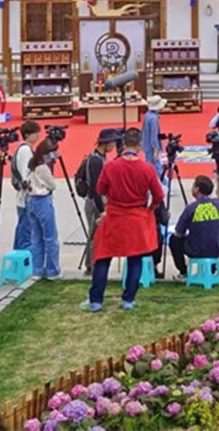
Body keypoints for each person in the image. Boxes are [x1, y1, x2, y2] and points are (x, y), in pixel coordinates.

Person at [81, 128, 163, 312]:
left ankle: (96, 300)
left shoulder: (111, 167)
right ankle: (128, 299)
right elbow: (158, 195)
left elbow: (100, 189)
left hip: (114, 217)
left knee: (102, 257)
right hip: (137, 218)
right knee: (135, 259)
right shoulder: (147, 169)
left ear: (123, 144)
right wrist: (149, 209)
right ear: (140, 146)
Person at [169, 175, 219, 277]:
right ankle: (211, 270)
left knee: (174, 240)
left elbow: (179, 233)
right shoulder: (217, 205)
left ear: (197, 189)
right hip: (216, 249)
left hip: (196, 250)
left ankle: (183, 272)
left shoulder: (191, 208)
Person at [81, 128, 120, 274]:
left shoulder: (100, 158)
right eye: (113, 142)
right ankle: (91, 266)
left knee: (97, 235)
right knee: (94, 236)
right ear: (106, 143)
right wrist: (102, 210)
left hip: (98, 201)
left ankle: (93, 263)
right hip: (95, 203)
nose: (114, 146)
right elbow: (95, 188)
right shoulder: (96, 161)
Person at [25, 139, 62, 280]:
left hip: (31, 201)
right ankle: (53, 271)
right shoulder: (43, 168)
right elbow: (53, 185)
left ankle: (37, 270)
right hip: (42, 201)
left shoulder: (32, 164)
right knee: (50, 237)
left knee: (36, 238)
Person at [11, 121, 41, 252]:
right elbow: (26, 174)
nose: (38, 135)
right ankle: (24, 254)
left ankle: (18, 253)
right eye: (35, 133)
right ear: (27, 135)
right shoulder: (25, 151)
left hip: (24, 196)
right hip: (26, 197)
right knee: (26, 230)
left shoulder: (25, 149)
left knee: (23, 227)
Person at [142, 95, 168, 167]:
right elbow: (154, 135)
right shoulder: (153, 118)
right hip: (151, 147)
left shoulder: (148, 114)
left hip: (147, 144)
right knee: (155, 165)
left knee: (150, 163)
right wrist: (156, 149)